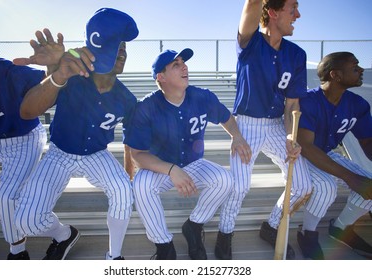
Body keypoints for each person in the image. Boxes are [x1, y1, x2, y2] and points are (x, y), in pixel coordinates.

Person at [14, 8, 139, 260]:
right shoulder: (72, 71)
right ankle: (63, 234)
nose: (122, 53)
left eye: (124, 49)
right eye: (117, 47)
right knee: (25, 221)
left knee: (124, 191)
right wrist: (56, 72)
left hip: (97, 155)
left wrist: (127, 176)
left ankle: (114, 258)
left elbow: (131, 142)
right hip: (59, 153)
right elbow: (27, 111)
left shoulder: (127, 99)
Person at [124, 48, 251, 260]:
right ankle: (164, 245)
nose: (184, 66)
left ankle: (193, 226)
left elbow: (226, 118)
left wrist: (236, 136)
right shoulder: (146, 106)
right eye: (176, 64)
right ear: (161, 77)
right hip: (160, 167)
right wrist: (171, 170)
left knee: (225, 180)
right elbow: (137, 153)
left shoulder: (202, 96)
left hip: (193, 163)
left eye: (184, 62)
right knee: (141, 185)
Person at [222, 0, 312, 259]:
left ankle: (272, 225)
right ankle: (225, 233)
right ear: (272, 12)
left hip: (276, 125)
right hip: (246, 124)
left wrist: (290, 137)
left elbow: (292, 103)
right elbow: (251, 4)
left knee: (304, 185)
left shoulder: (296, 54)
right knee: (239, 187)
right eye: (292, 8)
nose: (298, 14)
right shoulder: (250, 41)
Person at [297, 52, 372, 260]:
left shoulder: (357, 104)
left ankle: (340, 228)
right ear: (336, 75)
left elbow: (367, 141)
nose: (361, 70)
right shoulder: (308, 100)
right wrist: (350, 176)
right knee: (325, 187)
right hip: (301, 155)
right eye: (355, 67)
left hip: (327, 152)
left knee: (370, 186)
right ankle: (307, 233)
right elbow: (306, 146)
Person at [0, 55, 47, 260]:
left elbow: (48, 80)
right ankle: (62, 234)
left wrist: (55, 65)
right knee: (6, 201)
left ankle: (18, 254)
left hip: (24, 137)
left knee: (6, 198)